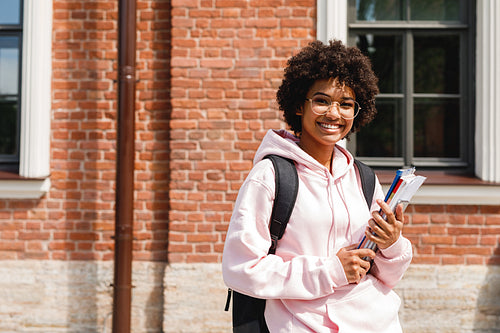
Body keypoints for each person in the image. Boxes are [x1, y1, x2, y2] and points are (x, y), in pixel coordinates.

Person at [222, 40, 412, 332]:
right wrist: (331, 271)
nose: (334, 114)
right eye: (322, 101)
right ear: (299, 104)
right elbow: (242, 269)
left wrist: (391, 245)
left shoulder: (363, 177)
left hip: (377, 322)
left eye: (346, 104)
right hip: (301, 324)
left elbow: (388, 276)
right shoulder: (270, 176)